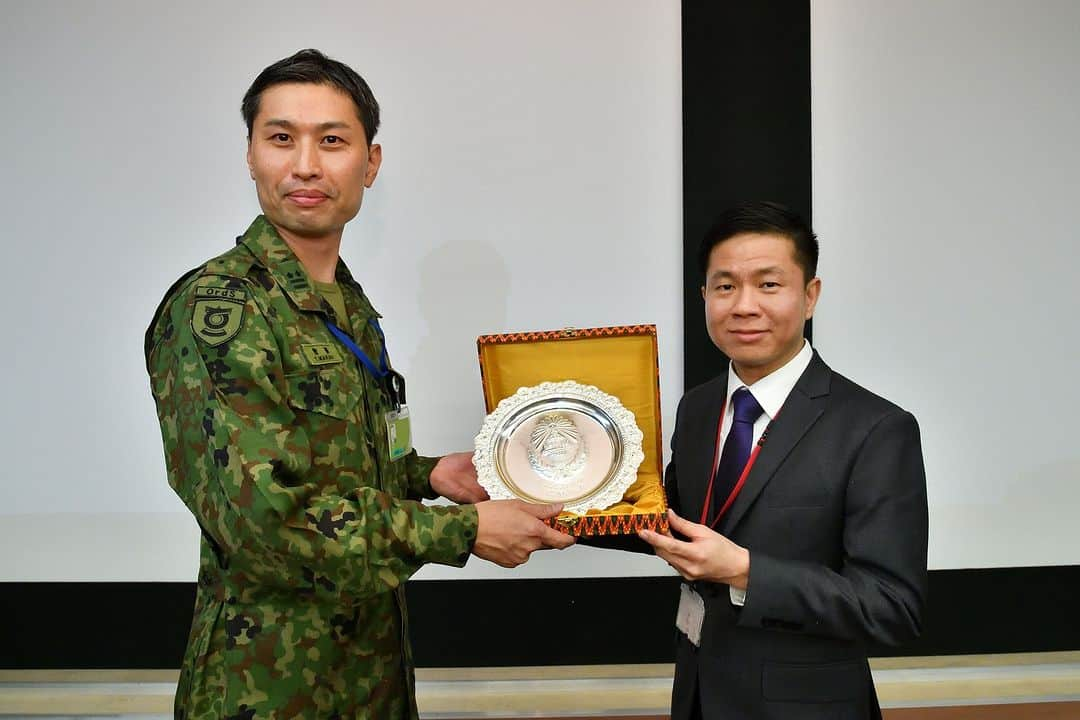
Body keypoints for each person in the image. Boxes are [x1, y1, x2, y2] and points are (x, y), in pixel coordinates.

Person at [144, 49, 574, 720]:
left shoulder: (346, 306)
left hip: (368, 677)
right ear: (252, 154)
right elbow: (263, 522)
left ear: (370, 164)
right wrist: (459, 532)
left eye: (333, 141)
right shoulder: (221, 309)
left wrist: (431, 476)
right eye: (281, 138)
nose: (307, 165)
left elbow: (337, 469)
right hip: (269, 694)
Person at [638, 201, 928, 719]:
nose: (744, 305)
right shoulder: (699, 406)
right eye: (725, 286)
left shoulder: (876, 428)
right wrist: (554, 500)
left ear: (810, 296)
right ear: (704, 296)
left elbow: (892, 607)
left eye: (769, 285)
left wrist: (747, 571)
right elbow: (675, 521)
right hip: (699, 695)